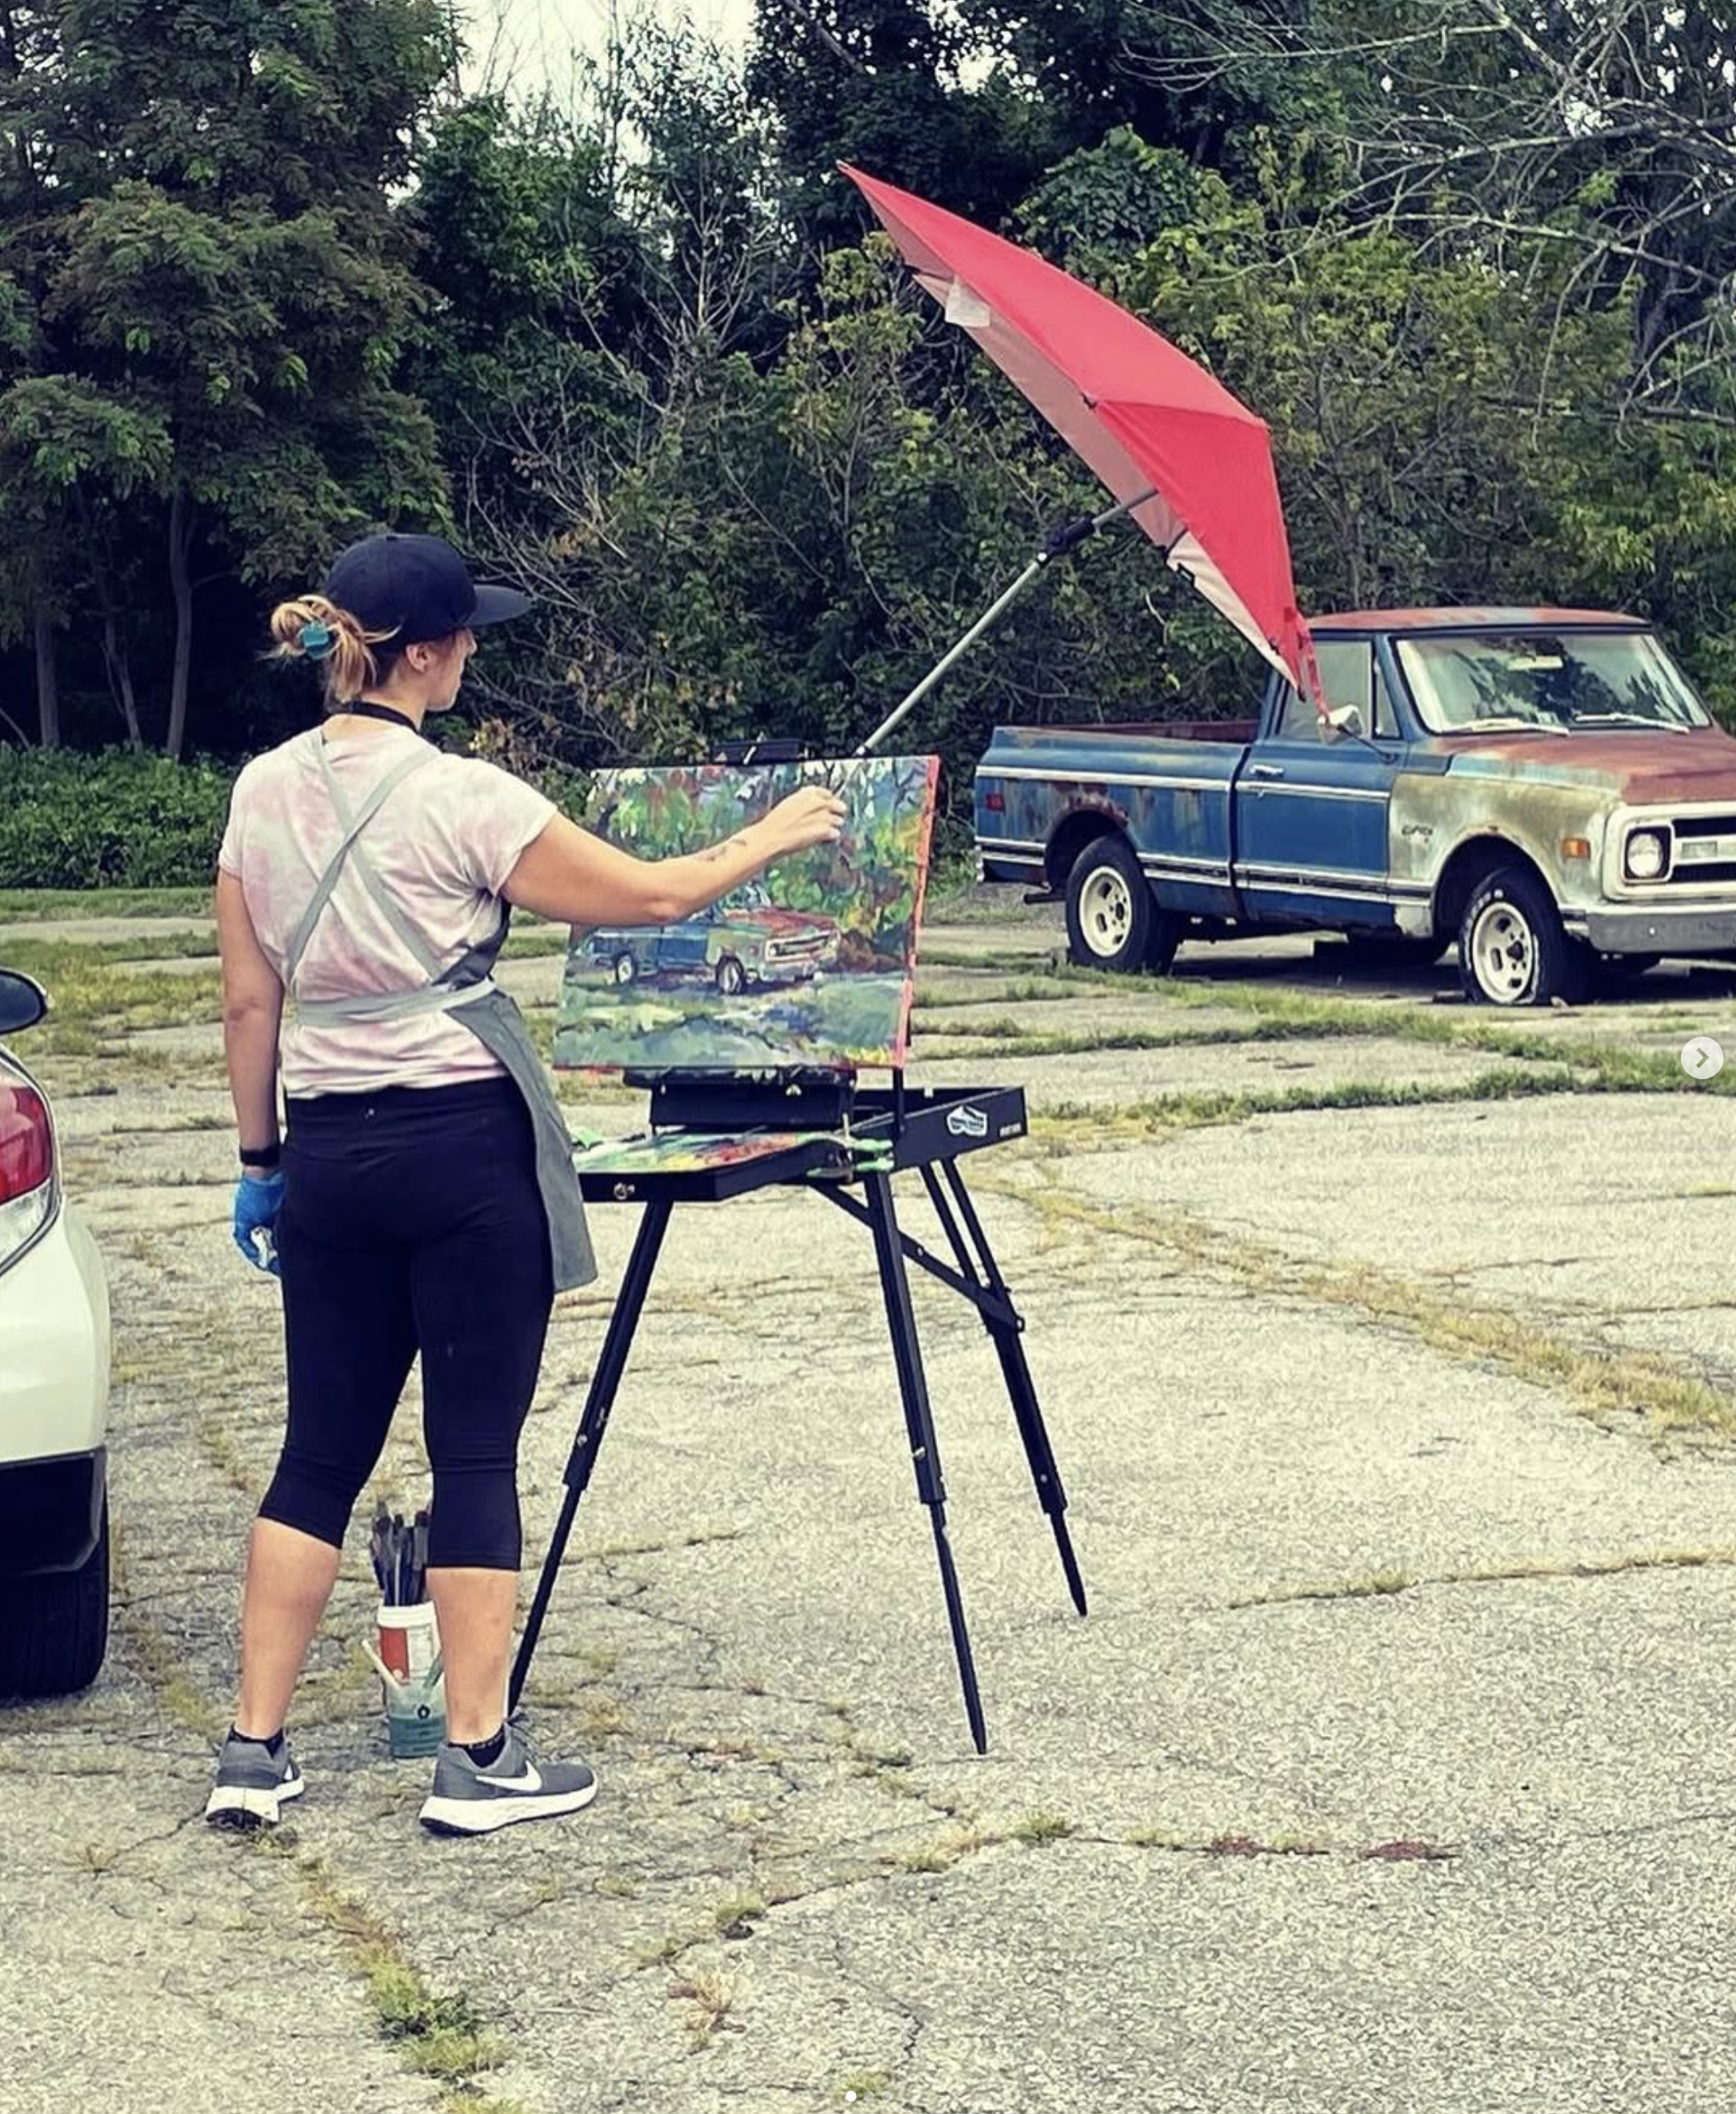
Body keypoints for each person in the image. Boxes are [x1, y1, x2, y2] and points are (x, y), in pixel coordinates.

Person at [207, 530, 844, 1835]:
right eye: (465, 637)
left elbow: (246, 1001)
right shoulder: (466, 797)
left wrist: (261, 1160)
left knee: (316, 1452)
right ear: (424, 655)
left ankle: (252, 1752)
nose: (472, 654)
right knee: (473, 1451)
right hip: (459, 1147)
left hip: (328, 1153)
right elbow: (652, 899)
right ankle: (477, 1759)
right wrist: (773, 833)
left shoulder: (260, 791)